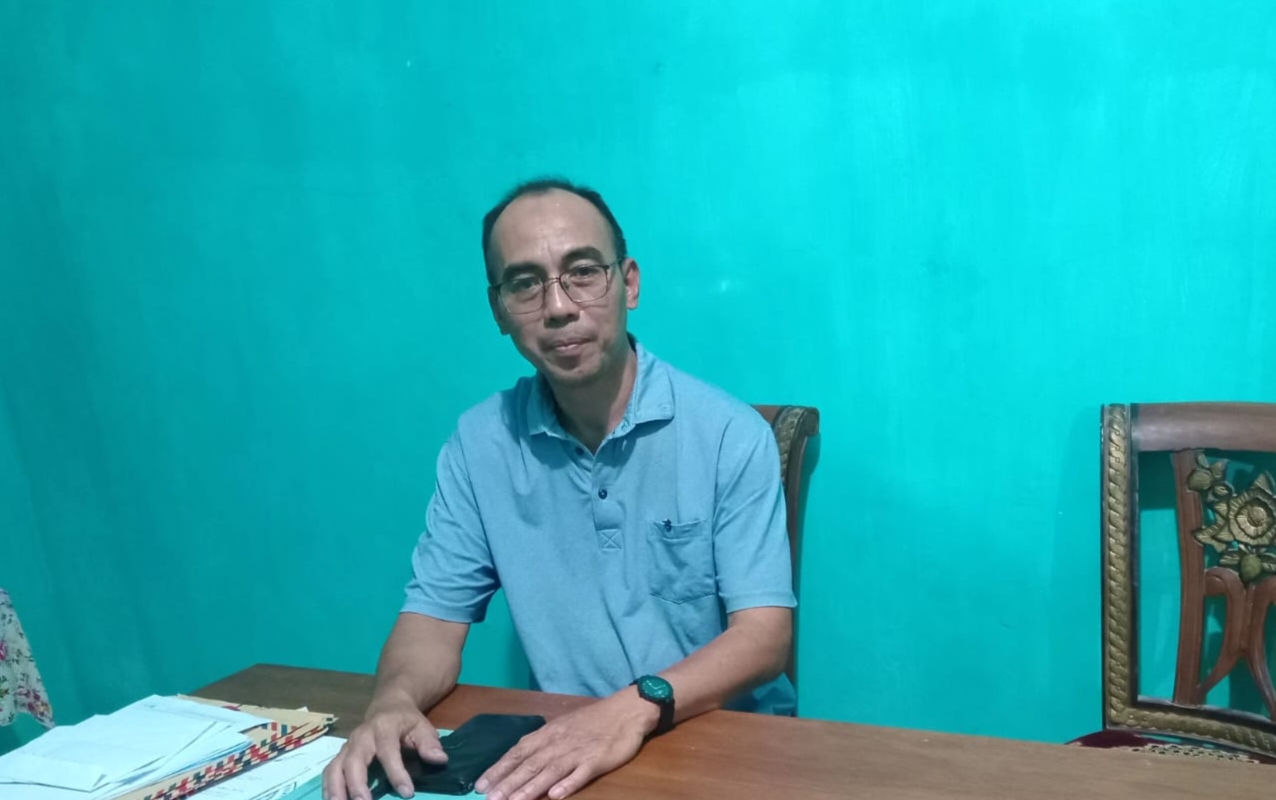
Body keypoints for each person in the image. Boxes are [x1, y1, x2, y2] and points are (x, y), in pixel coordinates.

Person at [323, 178, 795, 800]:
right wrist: (393, 701)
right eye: (525, 283)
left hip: (722, 745)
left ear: (628, 283)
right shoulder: (480, 443)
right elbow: (432, 620)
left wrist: (630, 710)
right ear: (499, 310)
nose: (558, 307)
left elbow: (764, 638)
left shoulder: (729, 434)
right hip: (564, 755)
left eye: (582, 273)